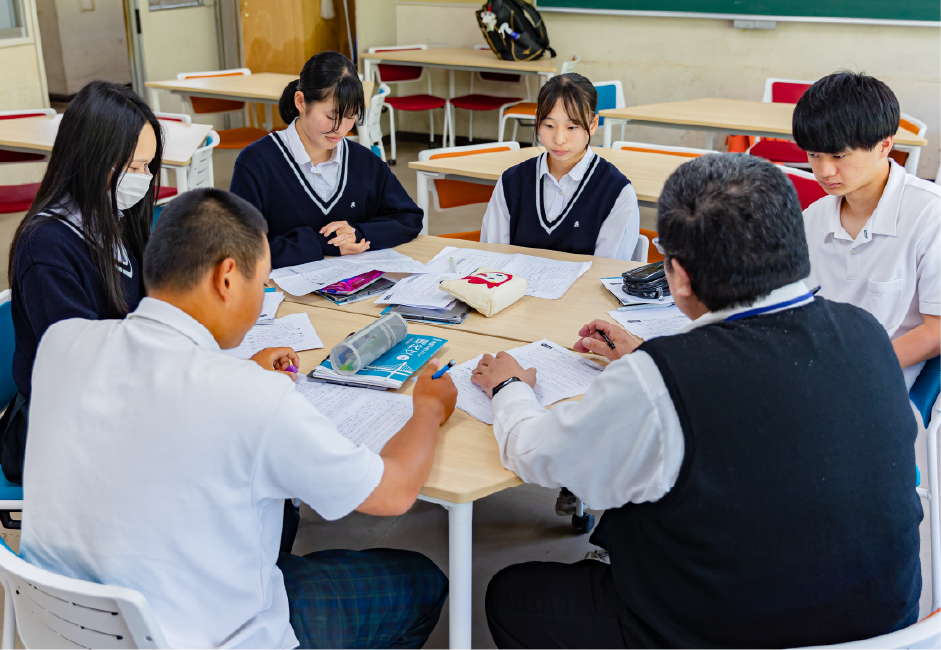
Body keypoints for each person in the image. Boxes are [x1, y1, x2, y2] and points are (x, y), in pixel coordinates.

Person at [474, 154, 922, 649]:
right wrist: (648, 360)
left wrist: (509, 387)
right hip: (886, 626)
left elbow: (539, 456)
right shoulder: (866, 332)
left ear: (679, 276)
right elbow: (767, 396)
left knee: (509, 595)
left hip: (726, 632)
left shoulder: (664, 376)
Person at [19, 188, 455, 650]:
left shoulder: (62, 344)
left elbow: (150, 400)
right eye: (263, 282)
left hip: (64, 628)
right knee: (421, 581)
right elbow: (393, 493)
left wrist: (244, 373)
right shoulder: (252, 398)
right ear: (227, 278)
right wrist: (428, 406)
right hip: (214, 638)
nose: (263, 296)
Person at [0, 80, 163, 482]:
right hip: (65, 425)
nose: (142, 181)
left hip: (123, 397)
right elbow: (85, 368)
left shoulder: (117, 217)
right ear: (91, 159)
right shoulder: (47, 247)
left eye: (147, 167)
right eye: (131, 167)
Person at [794, 71, 941, 389]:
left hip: (882, 381)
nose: (823, 170)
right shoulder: (814, 218)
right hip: (813, 371)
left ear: (884, 145)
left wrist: (850, 370)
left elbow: (936, 331)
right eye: (813, 155)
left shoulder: (931, 215)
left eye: (838, 156)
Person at [230, 51, 423, 269]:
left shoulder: (363, 162)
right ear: (301, 102)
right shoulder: (256, 163)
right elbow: (241, 249)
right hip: (285, 296)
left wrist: (356, 233)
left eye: (350, 117)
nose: (340, 130)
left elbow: (409, 218)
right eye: (331, 117)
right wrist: (323, 243)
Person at [480, 73, 640, 260]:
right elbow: (491, 257)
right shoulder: (511, 182)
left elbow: (606, 273)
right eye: (549, 125)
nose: (559, 139)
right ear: (537, 120)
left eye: (572, 127)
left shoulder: (618, 194)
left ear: (593, 125)